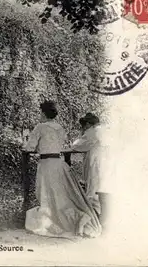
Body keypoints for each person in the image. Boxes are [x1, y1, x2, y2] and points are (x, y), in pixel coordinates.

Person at [22, 101, 101, 239]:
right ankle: (75, 219)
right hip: (59, 163)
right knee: (60, 196)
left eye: (40, 112)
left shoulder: (40, 127)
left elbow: (30, 147)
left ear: (43, 113)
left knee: (45, 194)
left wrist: (25, 146)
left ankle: (53, 221)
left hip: (46, 164)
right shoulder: (60, 127)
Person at [72, 113, 113, 233]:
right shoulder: (106, 130)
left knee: (92, 191)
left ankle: (92, 223)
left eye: (84, 125)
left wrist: (81, 135)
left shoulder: (92, 132)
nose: (84, 128)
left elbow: (76, 146)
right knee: (104, 192)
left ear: (89, 124)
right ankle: (104, 221)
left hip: (97, 164)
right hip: (109, 164)